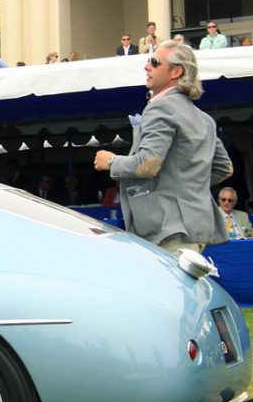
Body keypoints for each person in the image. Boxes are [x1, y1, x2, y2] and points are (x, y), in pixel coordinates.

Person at [93, 43, 232, 253]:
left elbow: (148, 164)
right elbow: (224, 168)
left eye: (155, 62)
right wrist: (184, 188)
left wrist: (112, 161)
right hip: (194, 230)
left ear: (176, 71)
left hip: (167, 231)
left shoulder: (160, 107)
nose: (146, 66)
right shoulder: (204, 119)